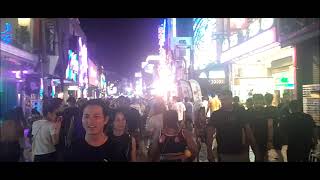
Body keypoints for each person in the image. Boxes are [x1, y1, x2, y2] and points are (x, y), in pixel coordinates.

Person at [206, 90, 259, 162]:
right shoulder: (216, 115)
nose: (223, 102)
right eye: (222, 100)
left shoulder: (240, 111)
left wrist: (254, 147)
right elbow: (209, 134)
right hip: (224, 152)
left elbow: (248, 131)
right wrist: (209, 151)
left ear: (231, 99)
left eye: (226, 99)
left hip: (240, 151)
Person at [250, 94, 272, 162]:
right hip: (262, 137)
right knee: (262, 156)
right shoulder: (268, 110)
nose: (257, 102)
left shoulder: (249, 111)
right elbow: (270, 126)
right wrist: (270, 140)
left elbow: (270, 126)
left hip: (256, 138)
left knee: (259, 156)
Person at [264, 93, 282, 161]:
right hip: (277, 132)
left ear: (265, 99)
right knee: (279, 152)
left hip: (269, 133)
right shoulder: (276, 109)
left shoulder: (265, 110)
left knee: (266, 153)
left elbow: (270, 125)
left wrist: (270, 139)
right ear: (272, 99)